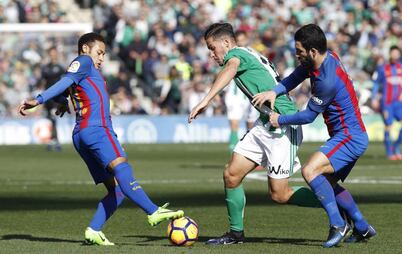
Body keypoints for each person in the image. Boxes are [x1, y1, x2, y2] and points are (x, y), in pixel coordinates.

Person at [19, 32, 184, 246]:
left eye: (104, 54)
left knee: (117, 189)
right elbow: (67, 81)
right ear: (86, 49)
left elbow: (66, 84)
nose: (102, 58)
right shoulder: (84, 61)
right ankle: (153, 211)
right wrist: (39, 100)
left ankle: (94, 229)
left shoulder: (80, 68)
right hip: (97, 128)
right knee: (122, 167)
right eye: (100, 52)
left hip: (81, 134)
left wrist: (61, 102)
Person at [188, 22, 320, 245]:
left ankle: (335, 204)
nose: (211, 54)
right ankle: (235, 233)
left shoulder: (237, 55)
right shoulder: (245, 53)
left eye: (212, 48)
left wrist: (205, 100)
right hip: (264, 124)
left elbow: (230, 70)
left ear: (227, 43)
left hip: (283, 125)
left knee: (280, 194)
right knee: (231, 175)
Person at [253, 24, 376, 248]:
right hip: (349, 134)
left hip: (349, 137)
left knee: (310, 171)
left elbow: (309, 115)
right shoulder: (324, 59)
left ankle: (338, 225)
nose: (296, 54)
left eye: (299, 50)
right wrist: (275, 90)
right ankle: (362, 226)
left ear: (312, 51)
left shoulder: (326, 81)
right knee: (326, 181)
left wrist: (278, 120)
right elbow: (299, 74)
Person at [371, 45, 402, 160]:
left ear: (399, 55)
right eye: (393, 53)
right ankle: (389, 152)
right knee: (388, 126)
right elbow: (376, 84)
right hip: (386, 102)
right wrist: (374, 98)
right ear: (390, 54)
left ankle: (396, 146)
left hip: (399, 103)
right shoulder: (382, 68)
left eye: (397, 53)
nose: (395, 55)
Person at [225, 30, 258, 152]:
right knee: (234, 122)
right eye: (239, 40)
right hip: (235, 95)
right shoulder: (232, 55)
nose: (241, 42)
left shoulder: (253, 53)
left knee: (251, 123)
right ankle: (234, 151)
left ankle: (251, 152)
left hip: (250, 93)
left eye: (243, 39)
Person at [40, 46, 66, 151]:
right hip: (48, 96)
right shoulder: (45, 68)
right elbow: (43, 82)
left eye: (54, 53)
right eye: (51, 53)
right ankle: (53, 140)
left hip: (57, 96)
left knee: (53, 117)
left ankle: (55, 141)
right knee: (50, 118)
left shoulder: (60, 68)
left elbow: (64, 82)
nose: (52, 55)